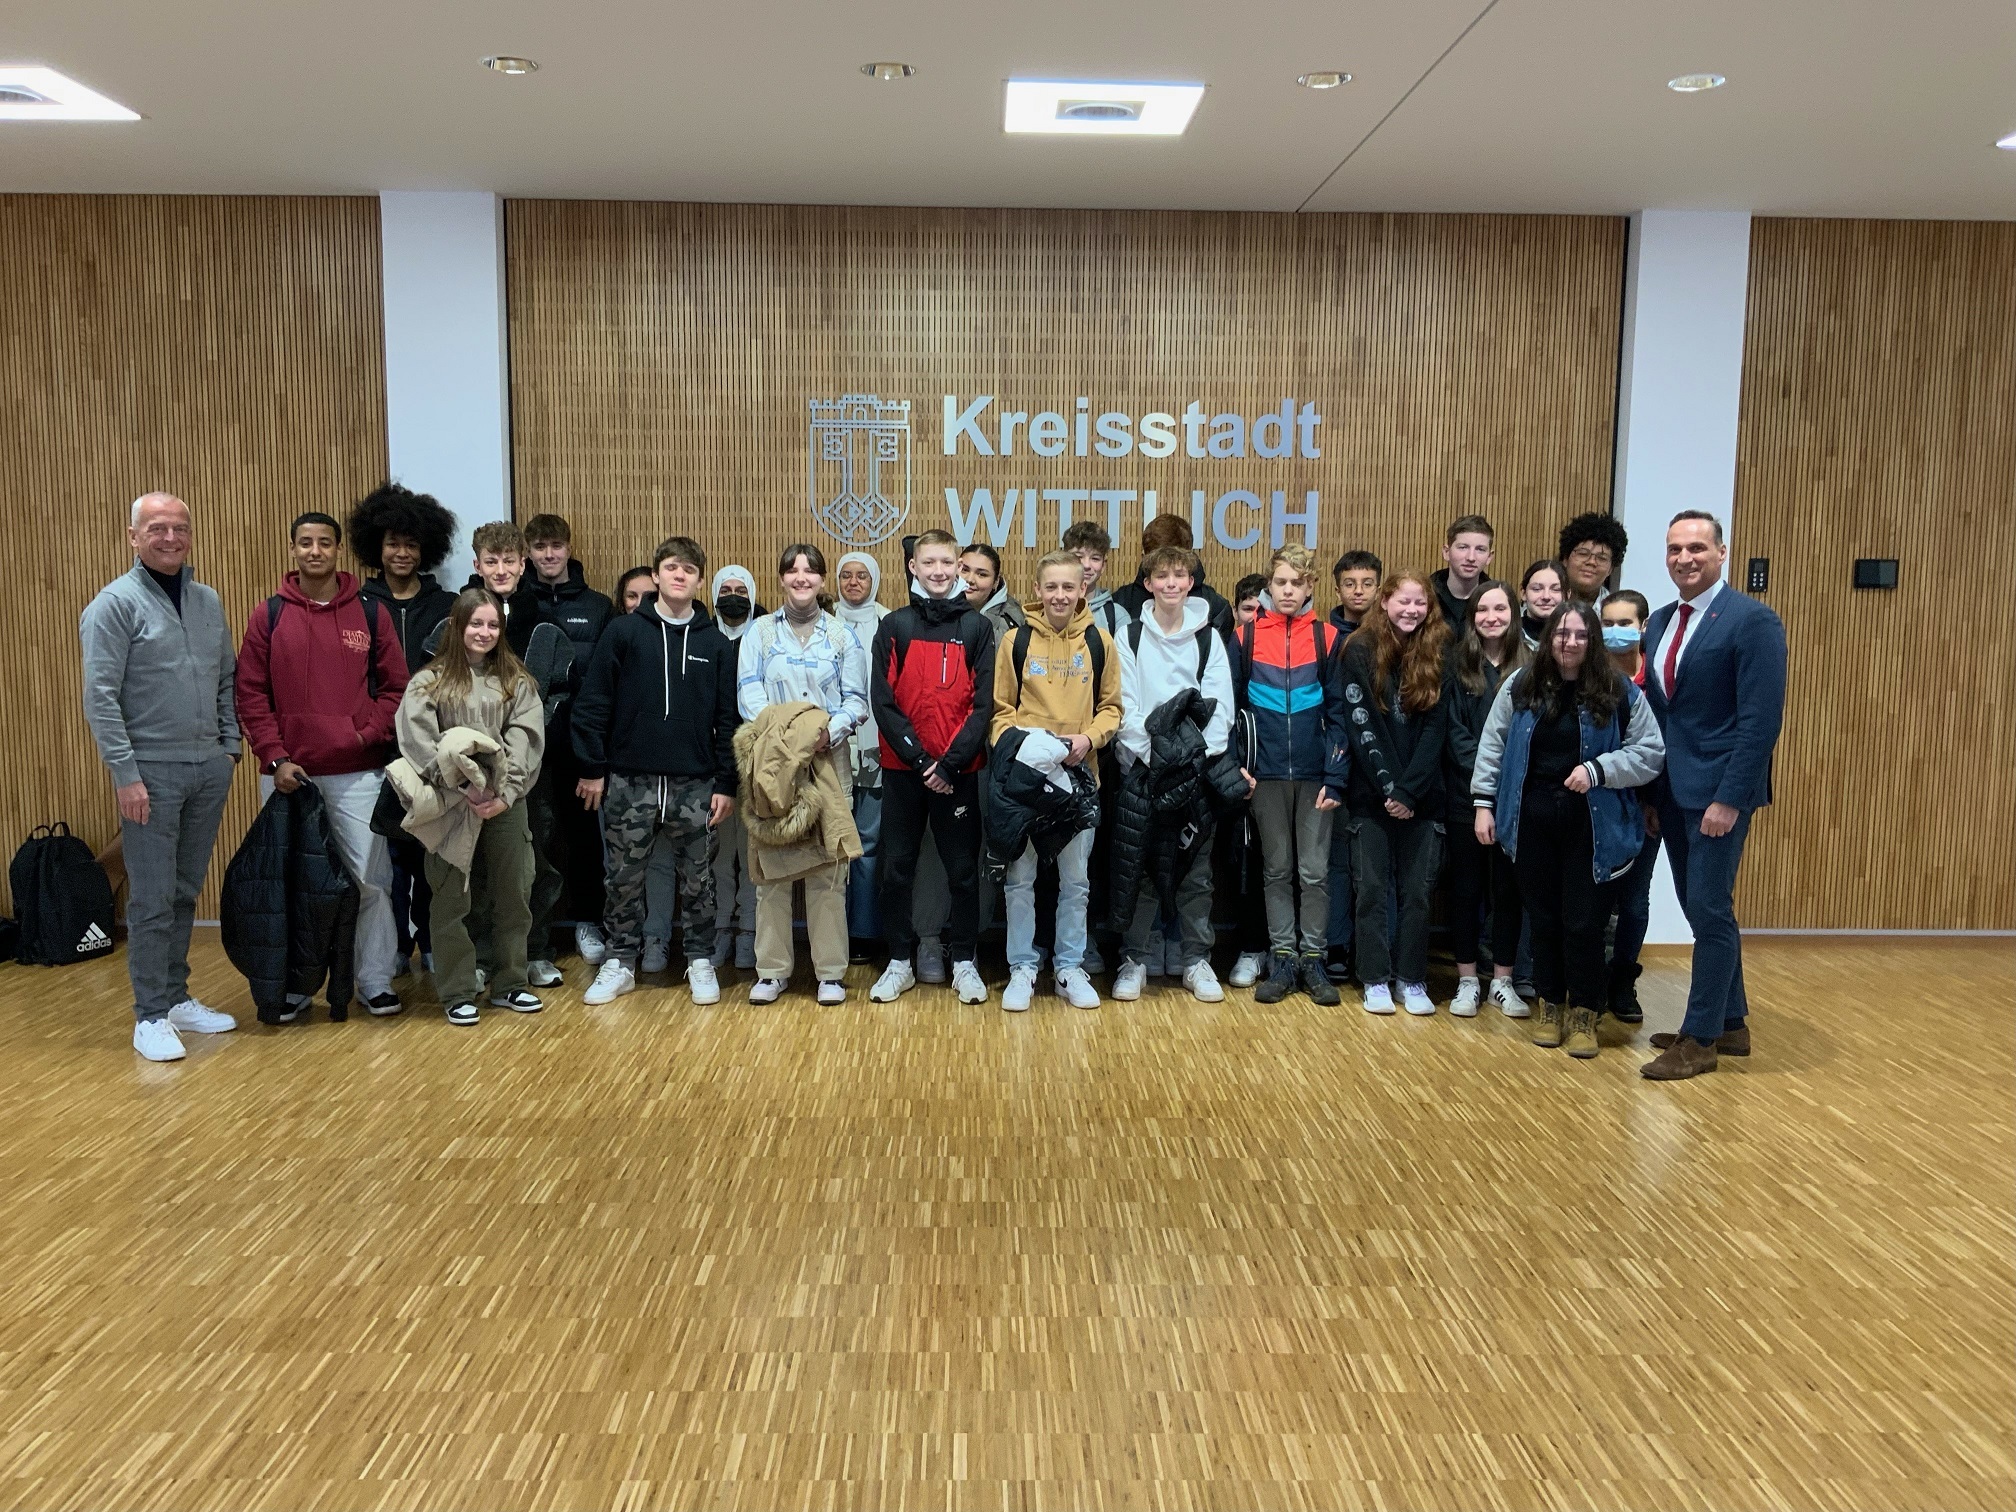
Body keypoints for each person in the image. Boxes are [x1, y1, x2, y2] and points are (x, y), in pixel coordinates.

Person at [80, 493, 242, 1062]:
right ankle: (149, 1015)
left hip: (208, 769)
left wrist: (229, 748)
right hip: (148, 773)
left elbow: (226, 678)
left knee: (183, 891)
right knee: (150, 899)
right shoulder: (114, 605)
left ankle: (175, 998)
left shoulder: (207, 600)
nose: (170, 537)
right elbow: (100, 698)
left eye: (179, 527)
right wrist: (126, 775)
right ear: (134, 537)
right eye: (157, 528)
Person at [234, 509, 411, 1019]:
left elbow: (397, 689)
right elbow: (250, 693)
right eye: (306, 542)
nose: (315, 551)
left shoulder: (371, 614)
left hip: (357, 773)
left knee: (370, 881)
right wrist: (275, 757)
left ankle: (373, 980)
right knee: (293, 886)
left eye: (325, 542)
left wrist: (364, 735)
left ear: (338, 550)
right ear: (293, 549)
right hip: (290, 776)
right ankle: (296, 987)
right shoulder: (268, 615)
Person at [1471, 600, 1665, 1059]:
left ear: (1592, 640)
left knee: (1583, 923)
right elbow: (1493, 746)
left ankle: (1584, 1013)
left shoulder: (1618, 690)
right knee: (1543, 921)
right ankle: (1550, 1006)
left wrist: (1599, 770)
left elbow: (1651, 752)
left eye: (1580, 634)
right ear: (1548, 638)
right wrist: (1483, 805)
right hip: (1531, 821)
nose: (1570, 642)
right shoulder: (1521, 685)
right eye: (1562, 633)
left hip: (1593, 827)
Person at [1639, 511, 1787, 1080]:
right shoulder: (1659, 622)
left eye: (1697, 548)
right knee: (1700, 905)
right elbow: (1660, 716)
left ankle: (1699, 1039)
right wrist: (1652, 795)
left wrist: (1730, 798)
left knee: (1709, 910)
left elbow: (1759, 722)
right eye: (1675, 549)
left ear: (1722, 553)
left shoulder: (1752, 622)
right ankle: (1730, 1023)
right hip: (1674, 792)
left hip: (1719, 794)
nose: (1685, 558)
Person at [571, 535, 738, 1009]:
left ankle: (700, 959)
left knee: (700, 880)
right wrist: (592, 768)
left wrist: (726, 782)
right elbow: (593, 704)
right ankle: (620, 961)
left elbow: (728, 720)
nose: (679, 575)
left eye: (689, 569)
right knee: (623, 878)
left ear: (700, 580)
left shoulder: (715, 643)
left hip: (696, 783)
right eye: (671, 567)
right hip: (629, 781)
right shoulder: (624, 632)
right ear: (656, 575)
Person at [394, 589, 546, 1025]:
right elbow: (418, 742)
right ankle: (458, 990)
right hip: (450, 804)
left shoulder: (516, 681)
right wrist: (463, 785)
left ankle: (511, 982)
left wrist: (504, 793)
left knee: (513, 891)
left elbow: (526, 738)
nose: (484, 632)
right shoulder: (429, 682)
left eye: (493, 625)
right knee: (451, 898)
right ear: (457, 626)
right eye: (476, 623)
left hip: (504, 804)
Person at [735, 544, 871, 1004]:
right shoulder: (759, 633)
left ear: (821, 579)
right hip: (772, 762)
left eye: (810, 571)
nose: (801, 578)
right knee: (771, 872)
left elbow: (857, 700)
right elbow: (748, 694)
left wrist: (824, 734)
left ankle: (830, 973)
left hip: (828, 758)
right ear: (781, 578)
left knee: (828, 872)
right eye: (792, 571)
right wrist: (788, 739)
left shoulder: (842, 636)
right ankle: (772, 972)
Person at [990, 549, 1122, 1011]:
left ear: (1083, 588)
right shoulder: (1016, 641)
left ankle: (1068, 967)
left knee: (1076, 883)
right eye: (1052, 587)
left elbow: (1112, 709)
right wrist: (1026, 750)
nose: (1060, 595)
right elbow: (1000, 713)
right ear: (1038, 590)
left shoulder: (1100, 641)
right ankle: (1022, 968)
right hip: (1027, 786)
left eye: (1069, 586)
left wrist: (1088, 740)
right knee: (1020, 881)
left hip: (1079, 782)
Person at [869, 531, 996, 1006]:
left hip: (958, 773)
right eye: (929, 563)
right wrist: (922, 761)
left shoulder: (977, 628)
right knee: (897, 870)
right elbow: (883, 701)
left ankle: (964, 961)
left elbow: (984, 705)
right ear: (913, 567)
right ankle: (898, 962)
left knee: (963, 872)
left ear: (958, 567)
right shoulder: (894, 626)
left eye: (947, 562)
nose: (938, 571)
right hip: (904, 771)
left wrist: (950, 764)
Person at [1112, 543, 1241, 1004]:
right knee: (1142, 869)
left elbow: (1220, 709)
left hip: (1195, 774)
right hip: (1144, 772)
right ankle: (1135, 959)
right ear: (1148, 583)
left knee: (1196, 874)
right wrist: (1157, 759)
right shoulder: (1128, 636)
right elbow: (1124, 707)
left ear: (1191, 583)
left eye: (1180, 575)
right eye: (1162, 576)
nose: (1171, 583)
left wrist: (1189, 760)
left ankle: (1195, 960)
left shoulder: (1208, 638)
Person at [350, 482, 460, 978]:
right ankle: (393, 945)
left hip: (434, 750)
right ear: (376, 546)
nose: (401, 553)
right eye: (393, 543)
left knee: (430, 855)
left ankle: (433, 942)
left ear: (426, 549)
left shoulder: (449, 605)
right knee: (387, 858)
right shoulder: (356, 604)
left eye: (411, 544)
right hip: (376, 750)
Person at [1235, 544, 1348, 1006]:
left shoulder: (1328, 637)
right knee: (1276, 869)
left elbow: (1340, 713)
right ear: (1269, 584)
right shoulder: (1245, 637)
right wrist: (1239, 765)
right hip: (1264, 775)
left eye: (1296, 583)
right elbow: (1232, 709)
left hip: (1315, 774)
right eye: (1280, 582)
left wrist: (1335, 775)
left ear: (1310, 586)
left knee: (1315, 873)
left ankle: (1313, 958)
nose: (1287, 590)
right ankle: (1283, 957)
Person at [1338, 573, 1451, 1017]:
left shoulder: (1440, 649)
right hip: (1371, 798)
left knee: (1418, 895)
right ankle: (1374, 978)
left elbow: (1437, 730)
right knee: (1370, 892)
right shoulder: (1359, 650)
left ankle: (1411, 977)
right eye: (1403, 601)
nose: (1411, 610)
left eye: (1420, 603)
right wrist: (1391, 789)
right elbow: (1361, 723)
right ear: (1385, 601)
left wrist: (1409, 791)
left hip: (1423, 799)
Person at [522, 514, 615, 967]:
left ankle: (588, 921)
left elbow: (605, 682)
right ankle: (528, 935)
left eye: (556, 545)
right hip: (525, 747)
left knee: (584, 841)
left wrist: (594, 749)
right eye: (540, 547)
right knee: (531, 842)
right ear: (528, 552)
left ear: (568, 548)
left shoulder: (597, 607)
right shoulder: (517, 605)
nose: (549, 555)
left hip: (578, 746)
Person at [1440, 581, 1530, 1019]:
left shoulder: (1531, 666)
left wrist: (1504, 780)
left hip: (1516, 799)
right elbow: (1454, 733)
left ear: (1514, 613)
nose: (1491, 617)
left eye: (1500, 609)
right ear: (1471, 617)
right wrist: (1484, 781)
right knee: (1466, 889)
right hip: (1464, 797)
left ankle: (1503, 981)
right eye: (1482, 610)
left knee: (1508, 892)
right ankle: (1467, 980)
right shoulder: (1456, 666)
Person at [1325, 549, 1383, 982]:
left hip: (1380, 765)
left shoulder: (1391, 634)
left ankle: (1373, 950)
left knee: (1376, 867)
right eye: (1350, 583)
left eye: (1367, 583)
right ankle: (1336, 944)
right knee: (1337, 862)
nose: (1358, 591)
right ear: (1337, 587)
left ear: (1379, 588)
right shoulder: (1326, 636)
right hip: (1338, 761)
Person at [1600, 590, 1658, 1023]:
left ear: (1643, 626)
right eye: (1608, 623)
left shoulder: (1658, 678)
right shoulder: (1590, 676)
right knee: (1595, 899)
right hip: (1597, 803)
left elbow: (1662, 748)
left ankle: (1623, 980)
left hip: (1646, 806)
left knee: (1635, 901)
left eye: (1625, 624)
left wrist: (1653, 801)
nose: (1616, 631)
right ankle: (1588, 979)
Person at [705, 563, 764, 968]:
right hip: (712, 765)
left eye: (741, 591)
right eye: (724, 590)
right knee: (719, 856)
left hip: (757, 764)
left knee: (753, 856)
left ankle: (750, 930)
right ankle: (721, 926)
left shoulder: (765, 637)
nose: (733, 598)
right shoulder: (704, 637)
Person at [834, 551, 889, 960]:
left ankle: (864, 932)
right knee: (831, 844)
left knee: (868, 843)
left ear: (874, 581)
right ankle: (829, 936)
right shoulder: (821, 623)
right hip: (831, 749)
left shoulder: (890, 623)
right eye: (846, 576)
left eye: (862, 576)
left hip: (875, 750)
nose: (853, 583)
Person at [1110, 515, 1235, 636]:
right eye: (1160, 562)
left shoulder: (1217, 609)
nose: (1170, 583)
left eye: (1175, 561)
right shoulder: (1117, 605)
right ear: (1145, 558)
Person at [1063, 519, 1132, 641]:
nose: (1086, 565)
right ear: (1064, 560)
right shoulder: (1050, 608)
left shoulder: (1117, 616)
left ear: (1103, 565)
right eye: (1078, 557)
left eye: (1095, 558)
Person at [1431, 515, 1495, 628]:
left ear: (1489, 557)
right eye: (1463, 547)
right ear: (1446, 552)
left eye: (1480, 549)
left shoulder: (1497, 601)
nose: (1471, 557)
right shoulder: (1425, 597)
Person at [1558, 512, 1629, 605]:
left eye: (1602, 558)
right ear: (1565, 559)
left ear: (1610, 569)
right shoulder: (1546, 602)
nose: (1592, 562)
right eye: (1583, 554)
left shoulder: (1616, 610)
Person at [961, 542, 1024, 644]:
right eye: (964, 570)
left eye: (981, 574)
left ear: (996, 582)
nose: (970, 579)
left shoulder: (1011, 622)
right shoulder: (937, 610)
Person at [1518, 560, 1567, 648]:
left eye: (1555, 589)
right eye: (1537, 589)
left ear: (1567, 594)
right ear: (1523, 593)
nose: (1546, 596)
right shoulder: (1508, 633)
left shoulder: (1577, 637)